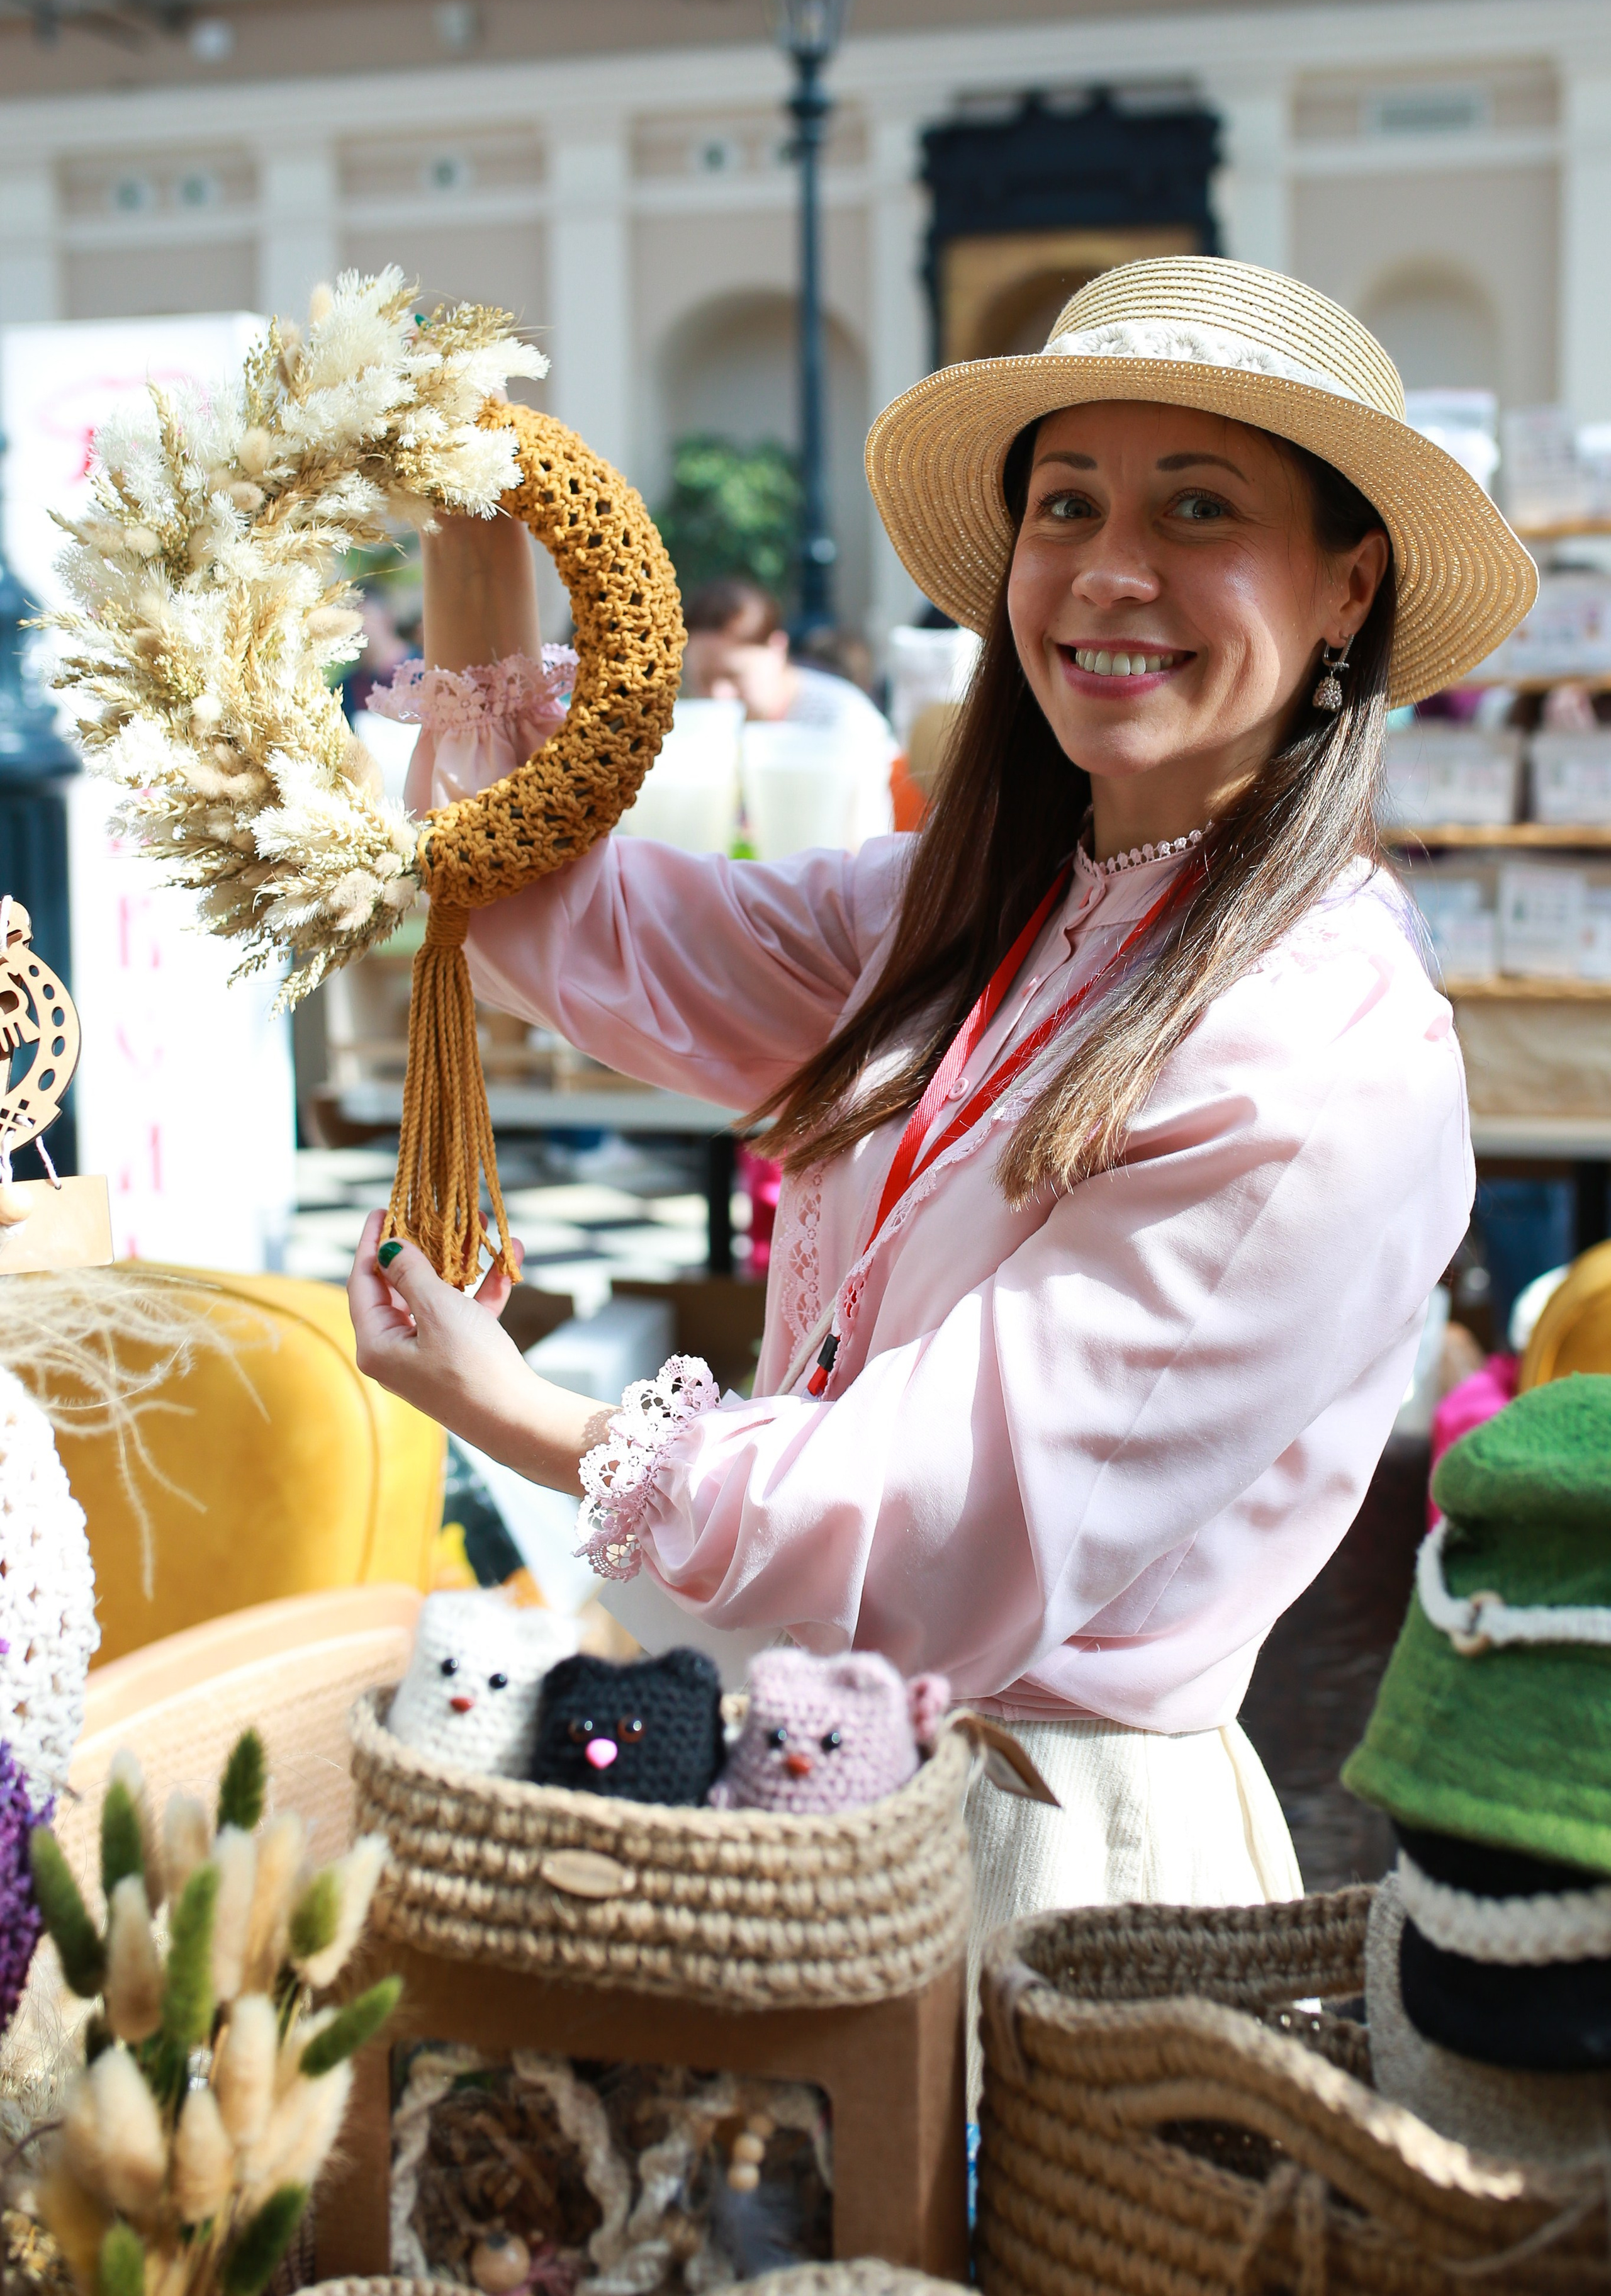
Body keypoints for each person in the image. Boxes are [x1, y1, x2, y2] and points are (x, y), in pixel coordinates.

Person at [349, 258, 1529, 1977]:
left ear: (1350, 582)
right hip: (800, 1756)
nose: (1113, 570)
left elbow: (944, 1529)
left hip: (1041, 1860)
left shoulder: (1323, 1046)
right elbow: (560, 926)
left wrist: (526, 1415)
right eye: (1069, 503)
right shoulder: (982, 903)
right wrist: (475, 536)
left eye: (1199, 508)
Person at [681, 575, 894, 760]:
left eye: (733, 676)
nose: (718, 696)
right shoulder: (698, 734)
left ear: (777, 649)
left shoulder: (844, 721)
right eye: (703, 679)